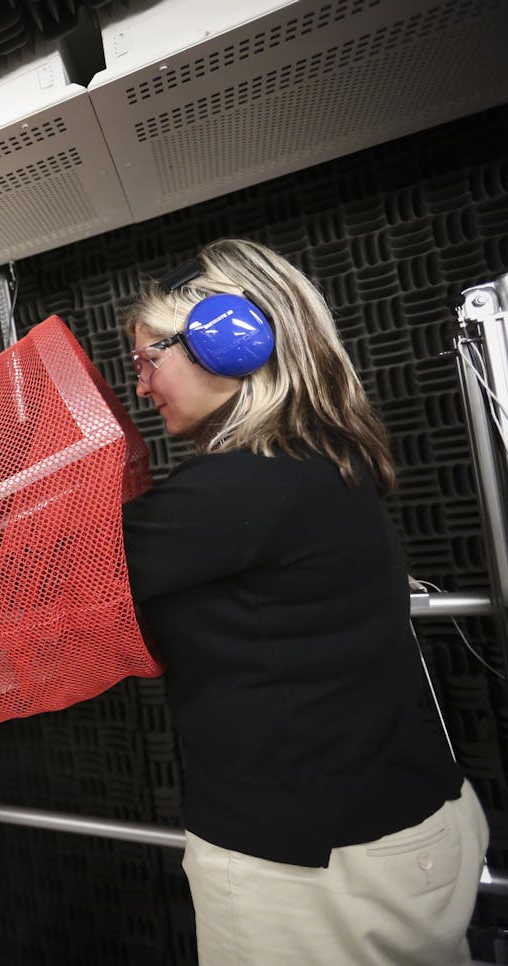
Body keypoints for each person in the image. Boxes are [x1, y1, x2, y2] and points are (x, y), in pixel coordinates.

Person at [119, 238, 487, 964]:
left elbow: (34, 579)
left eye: (147, 358)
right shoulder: (319, 466)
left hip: (312, 872)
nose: (140, 386)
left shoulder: (239, 490)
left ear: (231, 343)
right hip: (401, 832)